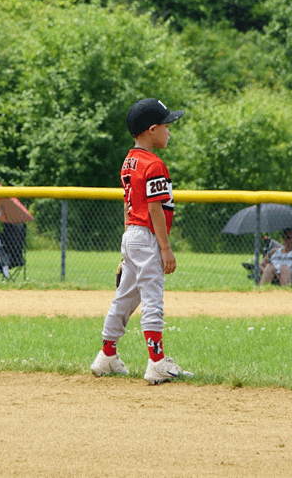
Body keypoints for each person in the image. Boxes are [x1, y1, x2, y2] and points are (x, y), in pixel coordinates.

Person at [91, 98, 192, 384]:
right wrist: (165, 248)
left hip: (132, 234)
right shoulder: (154, 164)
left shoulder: (129, 160)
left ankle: (107, 356)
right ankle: (157, 362)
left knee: (124, 298)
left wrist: (126, 248)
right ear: (151, 130)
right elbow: (155, 208)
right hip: (147, 236)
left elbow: (128, 205)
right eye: (166, 125)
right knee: (152, 298)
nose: (169, 131)